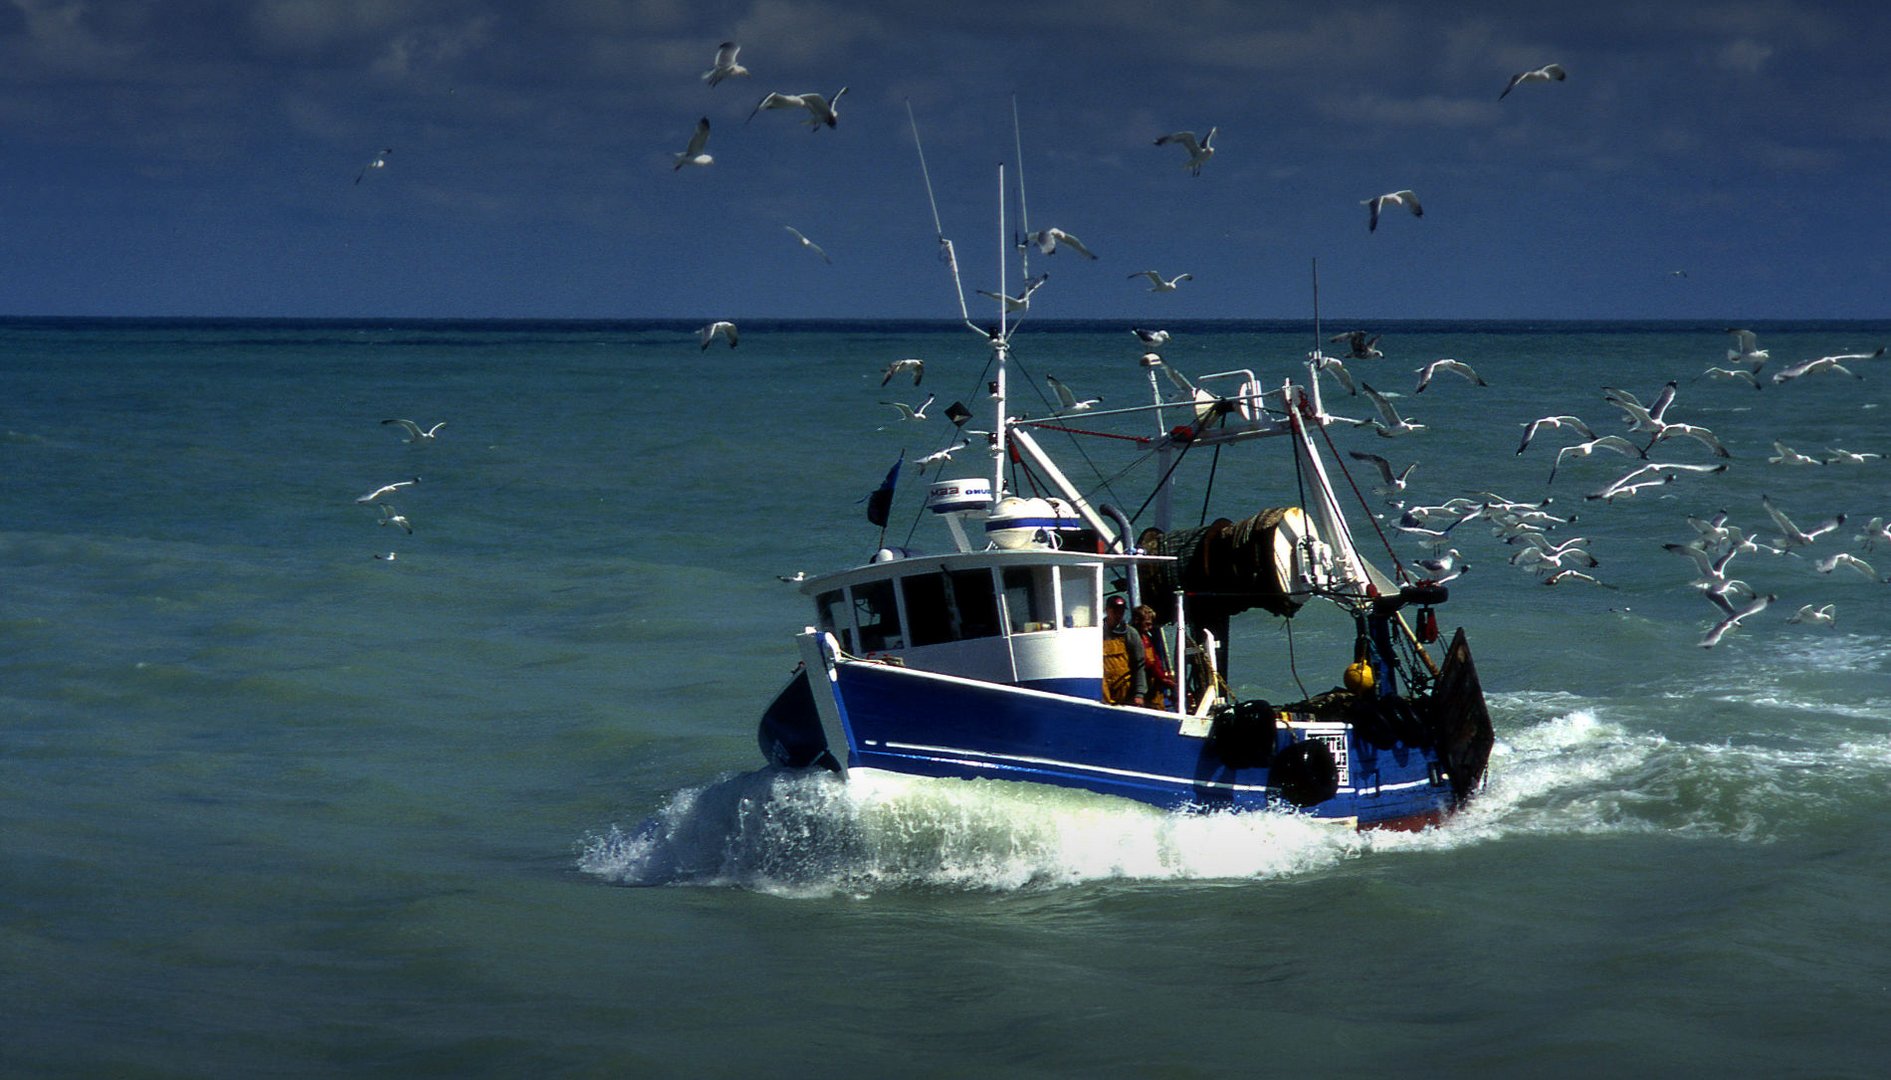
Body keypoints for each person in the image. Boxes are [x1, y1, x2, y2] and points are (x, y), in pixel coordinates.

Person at [1101, 595, 1149, 706]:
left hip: (1125, 693)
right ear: (1107, 610)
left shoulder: (1130, 633)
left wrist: (1139, 694)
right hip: (1103, 693)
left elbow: (1139, 665)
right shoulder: (1097, 632)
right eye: (1115, 611)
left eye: (1121, 611)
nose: (1119, 614)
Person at [1132, 604, 1177, 710]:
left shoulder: (1146, 637)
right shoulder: (1134, 638)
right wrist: (1163, 679)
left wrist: (1164, 676)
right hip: (1144, 687)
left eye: (1151, 624)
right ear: (1137, 620)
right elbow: (1147, 663)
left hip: (1153, 685)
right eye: (1147, 624)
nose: (1150, 627)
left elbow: (1155, 659)